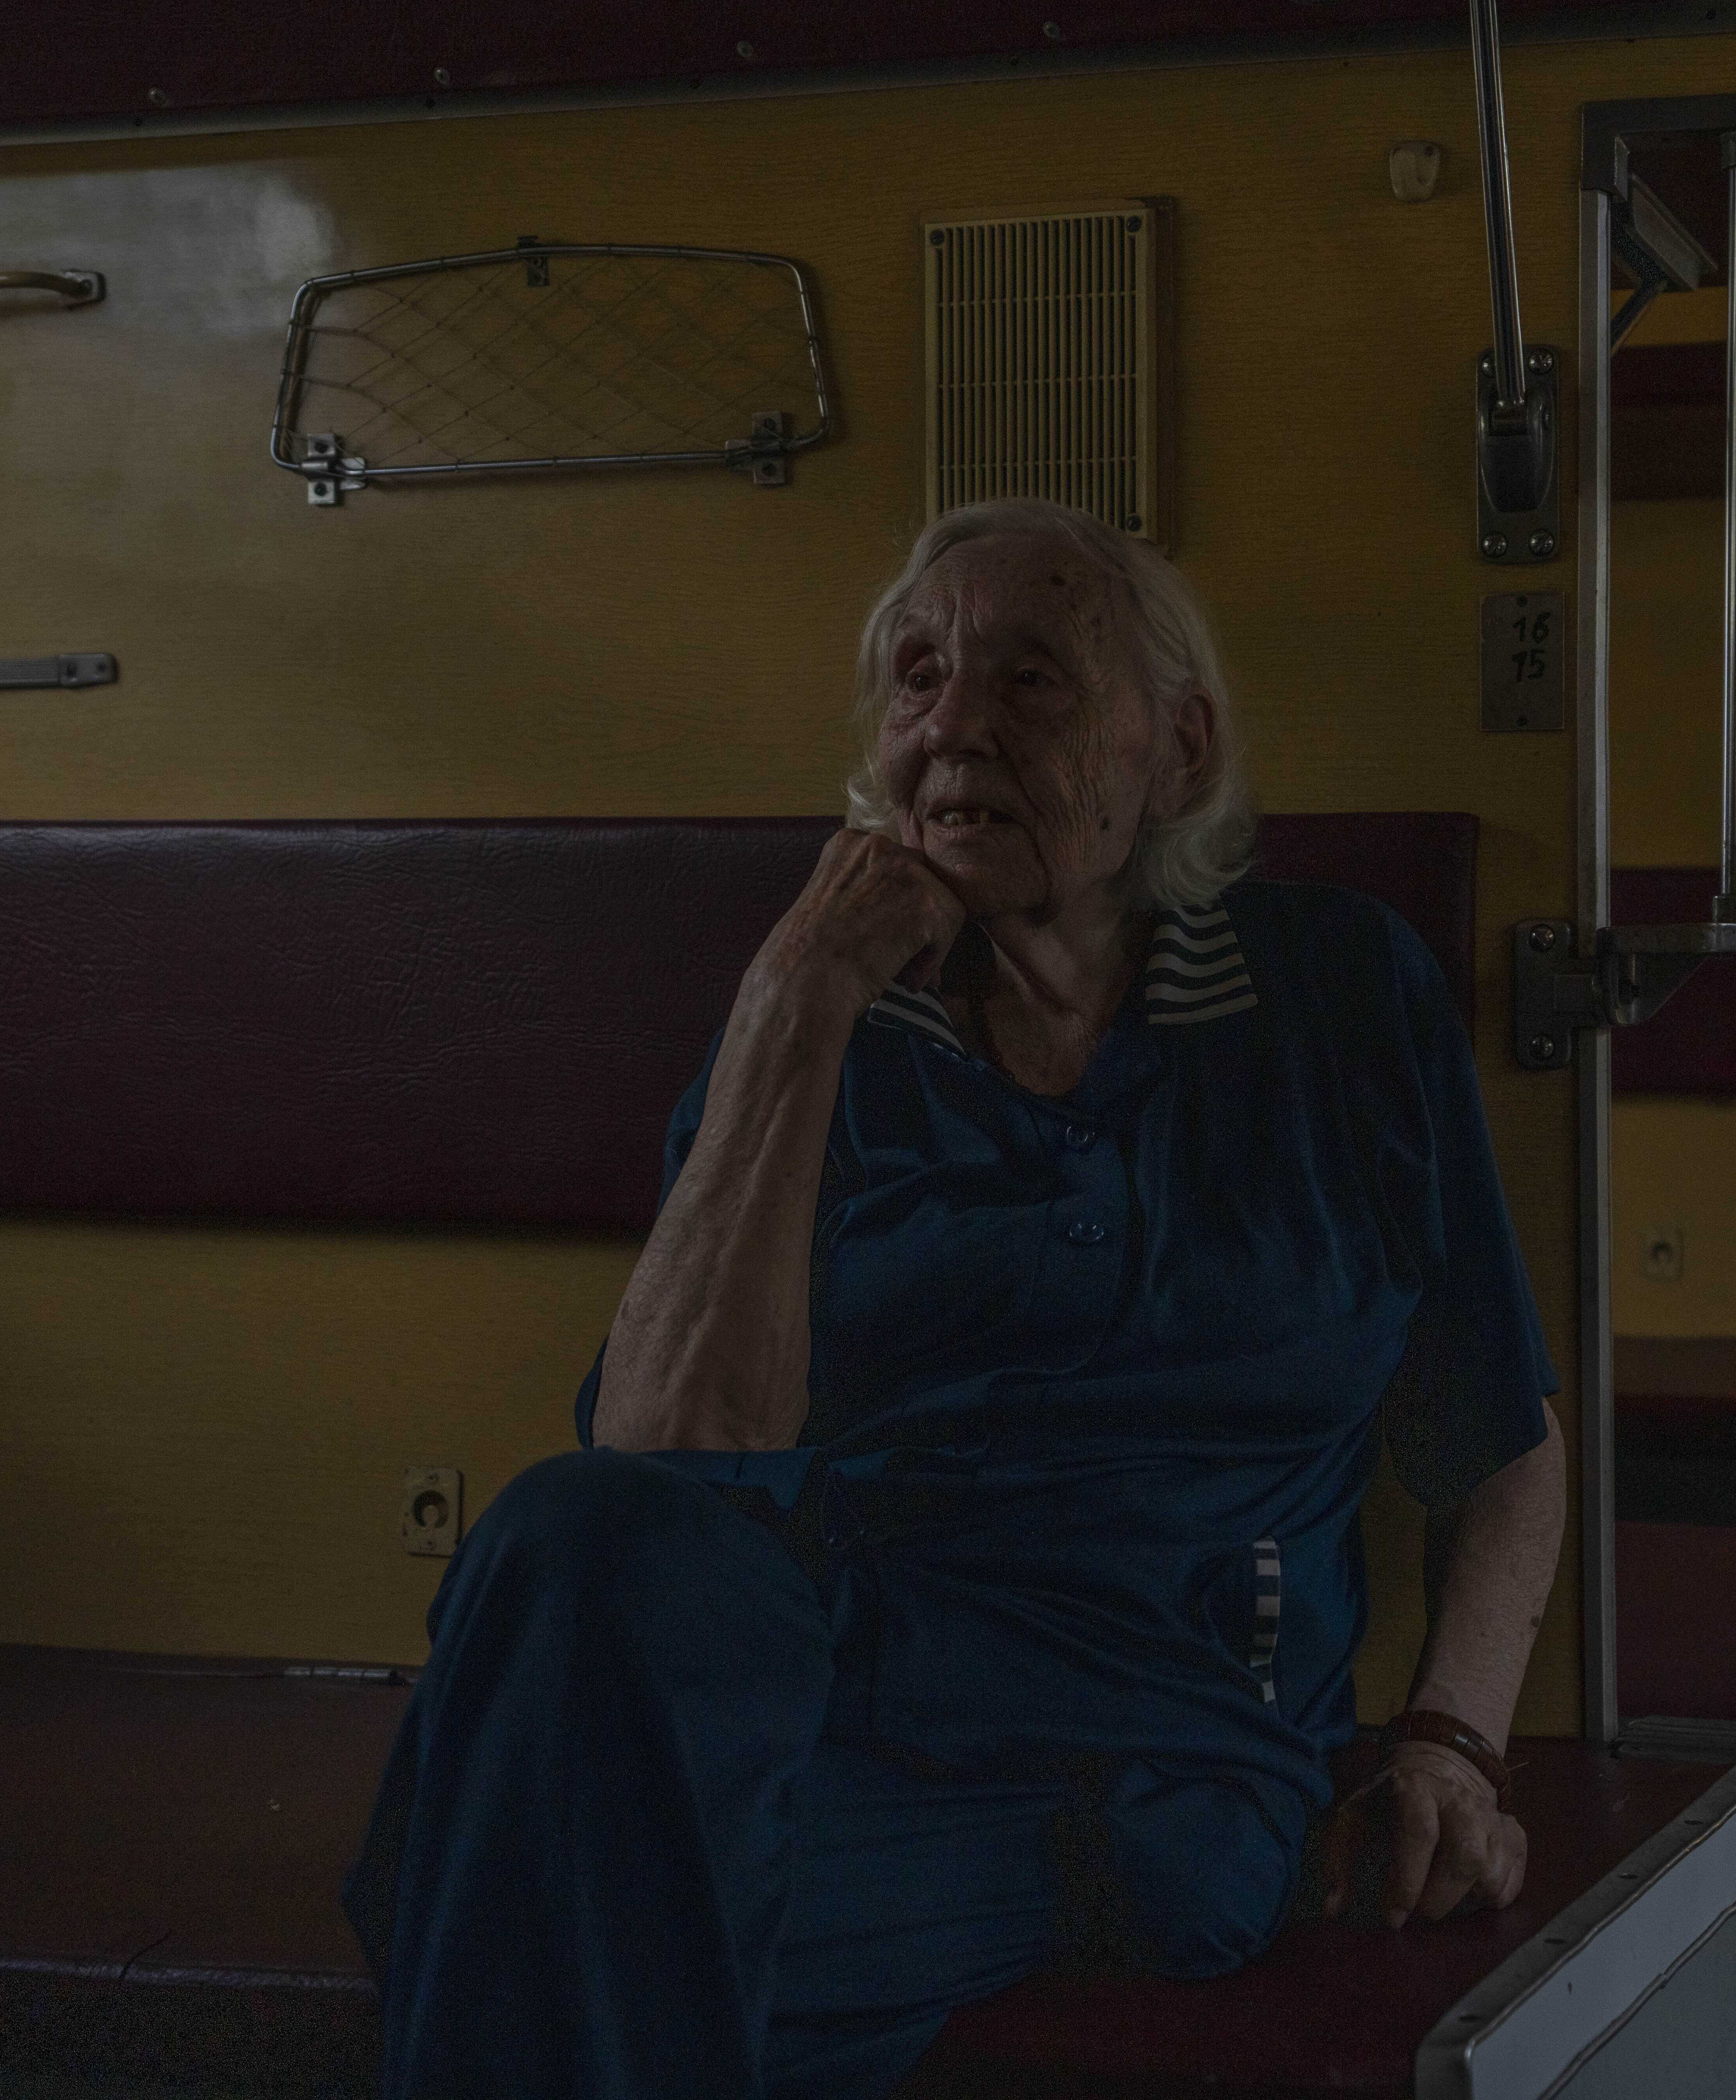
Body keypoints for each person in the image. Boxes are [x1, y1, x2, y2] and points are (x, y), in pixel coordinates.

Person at [344, 497, 1568, 2099]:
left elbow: (1501, 1438)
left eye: (1033, 677)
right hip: (824, 1710)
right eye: (915, 678)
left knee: (544, 1908)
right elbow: (661, 1472)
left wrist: (1453, 1742)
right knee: (567, 1539)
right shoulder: (822, 1016)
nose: (953, 726)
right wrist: (800, 1003)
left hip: (1157, 1750)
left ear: (1178, 753)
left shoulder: (1337, 995)